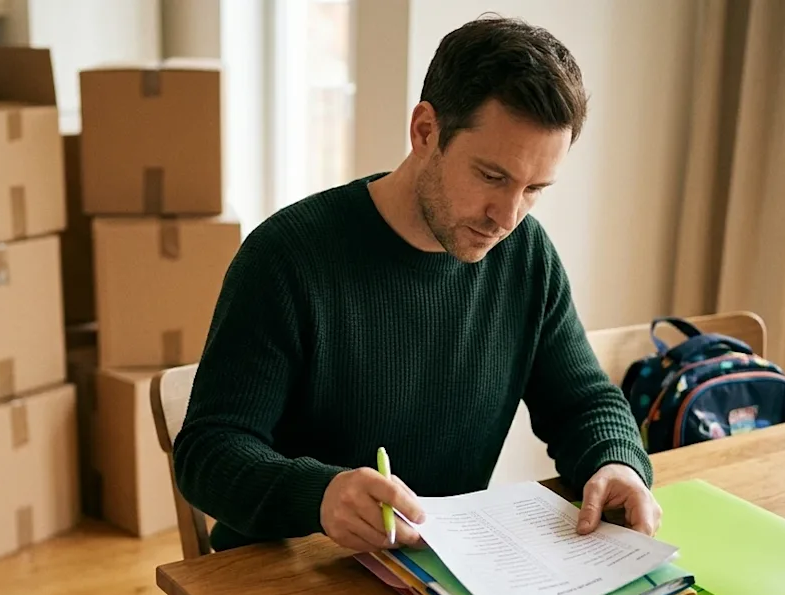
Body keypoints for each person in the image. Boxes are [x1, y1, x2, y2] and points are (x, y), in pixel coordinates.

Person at [173, 15, 662, 553]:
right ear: (425, 131)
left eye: (535, 189)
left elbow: (583, 403)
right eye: (492, 177)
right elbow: (209, 452)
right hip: (290, 573)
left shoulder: (526, 256)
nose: (507, 215)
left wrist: (617, 461)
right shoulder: (288, 256)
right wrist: (319, 494)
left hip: (443, 570)